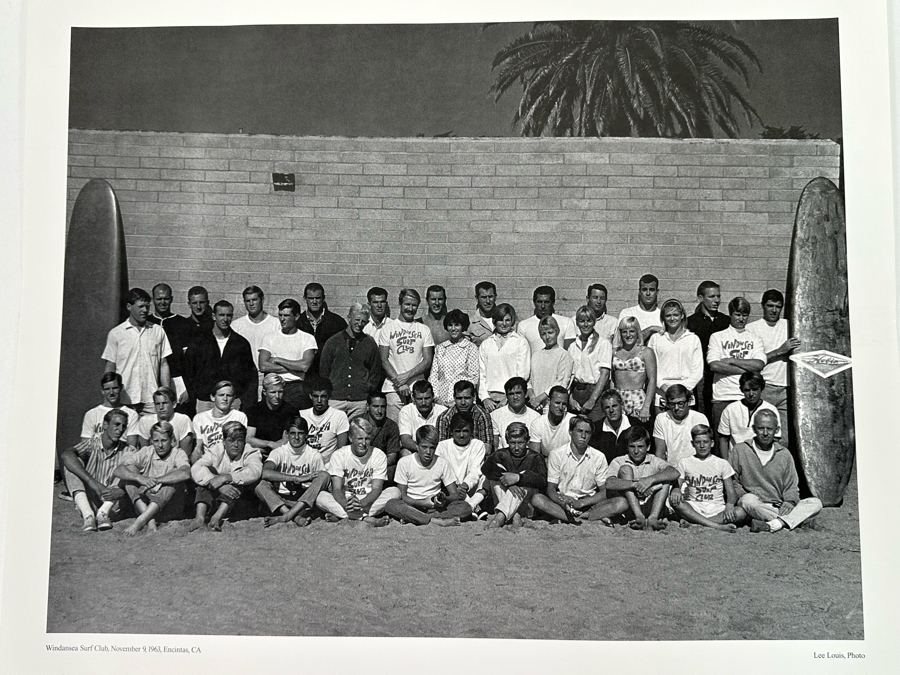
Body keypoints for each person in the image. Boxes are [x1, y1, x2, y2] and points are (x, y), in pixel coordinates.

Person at [730, 410, 822, 532]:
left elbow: (791, 486)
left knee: (816, 503)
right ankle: (791, 521)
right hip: (753, 504)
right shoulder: (740, 450)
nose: (765, 433)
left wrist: (789, 502)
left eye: (769, 429)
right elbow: (733, 481)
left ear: (777, 430)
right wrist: (743, 496)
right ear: (753, 429)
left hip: (779, 506)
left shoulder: (784, 454)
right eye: (761, 428)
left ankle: (776, 523)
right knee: (747, 500)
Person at [59, 409, 134, 532]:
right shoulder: (93, 443)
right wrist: (92, 482)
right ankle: (88, 516)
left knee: (130, 464)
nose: (120, 429)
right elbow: (66, 455)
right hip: (91, 499)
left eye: (124, 426)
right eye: (116, 424)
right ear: (105, 425)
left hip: (113, 504)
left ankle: (103, 514)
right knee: (72, 464)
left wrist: (122, 491)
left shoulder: (127, 450)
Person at [316, 417, 401, 524]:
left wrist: (361, 503)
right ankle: (366, 518)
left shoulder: (379, 455)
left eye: (367, 439)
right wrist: (346, 504)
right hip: (346, 499)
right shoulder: (339, 455)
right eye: (360, 439)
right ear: (351, 438)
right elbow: (337, 489)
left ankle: (344, 516)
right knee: (320, 497)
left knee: (395, 492)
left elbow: (377, 488)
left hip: (369, 500)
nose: (364, 443)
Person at [113, 421, 191, 536]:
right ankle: (149, 520)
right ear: (151, 441)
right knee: (130, 470)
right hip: (144, 506)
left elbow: (185, 473)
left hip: (169, 508)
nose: (160, 445)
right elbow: (118, 470)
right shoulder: (147, 451)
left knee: (175, 474)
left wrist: (156, 480)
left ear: (172, 439)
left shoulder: (178, 453)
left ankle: (140, 521)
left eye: (164, 440)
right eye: (156, 441)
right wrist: (139, 478)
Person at [101, 287, 173, 413]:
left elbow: (164, 364)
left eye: (147, 306)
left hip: (151, 399)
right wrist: (110, 395)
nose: (145, 310)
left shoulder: (157, 331)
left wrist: (166, 391)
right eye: (140, 307)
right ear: (129, 307)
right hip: (124, 399)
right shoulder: (116, 333)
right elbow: (110, 366)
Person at [384, 425, 472, 526]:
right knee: (392, 504)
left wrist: (445, 499)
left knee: (465, 507)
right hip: (412, 505)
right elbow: (402, 495)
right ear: (417, 446)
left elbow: (455, 494)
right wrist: (422, 502)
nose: (428, 452)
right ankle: (435, 521)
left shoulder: (442, 463)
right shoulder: (404, 462)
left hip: (435, 507)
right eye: (424, 447)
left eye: (432, 448)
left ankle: (417, 519)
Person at [747, 289, 801, 448]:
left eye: (778, 306)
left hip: (787, 389)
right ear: (762, 306)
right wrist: (780, 351)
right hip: (764, 387)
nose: (774, 310)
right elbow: (752, 361)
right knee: (761, 433)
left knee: (784, 438)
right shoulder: (753, 328)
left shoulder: (789, 325)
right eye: (770, 306)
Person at [531, 416, 610, 524]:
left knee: (621, 503)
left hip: (589, 503)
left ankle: (572, 518)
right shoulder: (556, 454)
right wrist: (561, 501)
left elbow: (604, 491)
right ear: (571, 431)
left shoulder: (598, 456)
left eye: (587, 432)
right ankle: (580, 520)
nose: (583, 436)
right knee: (537, 499)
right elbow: (551, 488)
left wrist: (582, 502)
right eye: (579, 431)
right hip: (564, 502)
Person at [183, 299, 257, 413]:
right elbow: (188, 369)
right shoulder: (199, 341)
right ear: (214, 316)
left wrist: (238, 394)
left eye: (229, 315)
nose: (225, 319)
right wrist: (196, 392)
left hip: (232, 401)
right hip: (205, 401)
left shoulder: (241, 343)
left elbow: (248, 374)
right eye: (221, 315)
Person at [255, 417, 331, 527]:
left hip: (303, 503)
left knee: (325, 475)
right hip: (281, 502)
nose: (296, 437)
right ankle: (292, 516)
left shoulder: (314, 455)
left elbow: (322, 482)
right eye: (293, 433)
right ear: (287, 434)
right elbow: (265, 472)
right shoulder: (279, 452)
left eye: (300, 433)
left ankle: (287, 516)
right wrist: (296, 478)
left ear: (306, 435)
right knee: (259, 484)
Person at [669, 424, 745, 532]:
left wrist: (729, 505)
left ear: (712, 443)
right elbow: (677, 484)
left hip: (716, 507)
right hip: (694, 507)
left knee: (741, 512)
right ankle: (716, 526)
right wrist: (676, 490)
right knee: (675, 501)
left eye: (705, 442)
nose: (702, 446)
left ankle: (695, 523)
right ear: (692, 444)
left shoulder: (721, 463)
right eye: (698, 442)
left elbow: (731, 492)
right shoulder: (685, 462)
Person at [707, 297, 767, 434]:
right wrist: (748, 370)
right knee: (721, 438)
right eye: (738, 315)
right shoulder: (717, 337)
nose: (741, 319)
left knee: (746, 439)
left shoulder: (755, 339)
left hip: (746, 397)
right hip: (723, 396)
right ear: (730, 314)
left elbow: (759, 365)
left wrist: (732, 360)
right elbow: (714, 365)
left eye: (744, 315)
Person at [602, 426, 680, 530]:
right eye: (632, 446)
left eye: (640, 446)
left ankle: (653, 518)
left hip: (650, 505)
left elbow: (674, 472)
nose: (636, 451)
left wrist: (649, 480)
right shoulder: (619, 460)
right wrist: (636, 484)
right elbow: (609, 483)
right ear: (627, 447)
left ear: (648, 447)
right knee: (625, 469)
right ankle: (638, 516)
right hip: (629, 507)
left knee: (665, 477)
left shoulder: (653, 460)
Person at [189, 421, 262, 531]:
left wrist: (225, 478)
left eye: (240, 441)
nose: (235, 445)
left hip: (241, 502)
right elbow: (196, 467)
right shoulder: (216, 450)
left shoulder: (251, 452)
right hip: (217, 497)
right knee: (205, 477)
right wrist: (217, 482)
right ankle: (200, 518)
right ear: (224, 441)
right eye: (231, 440)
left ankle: (217, 518)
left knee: (238, 480)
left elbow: (254, 471)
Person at [377, 288, 435, 422]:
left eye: (414, 305)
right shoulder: (388, 329)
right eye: (407, 304)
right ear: (400, 303)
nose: (410, 308)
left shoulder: (424, 329)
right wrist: (399, 383)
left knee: (417, 428)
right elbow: (384, 359)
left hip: (418, 390)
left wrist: (406, 377)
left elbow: (427, 360)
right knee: (394, 429)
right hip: (393, 389)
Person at [319, 302, 383, 421]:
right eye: (357, 320)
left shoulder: (370, 343)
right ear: (349, 318)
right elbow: (324, 371)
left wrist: (366, 389)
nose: (359, 324)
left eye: (363, 321)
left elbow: (375, 372)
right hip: (336, 399)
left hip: (359, 401)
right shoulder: (333, 342)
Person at [482, 422, 547, 529]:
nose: (516, 447)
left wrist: (519, 478)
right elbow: (485, 468)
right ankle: (515, 515)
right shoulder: (501, 454)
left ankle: (501, 516)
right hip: (504, 499)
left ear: (527, 441)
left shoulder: (535, 457)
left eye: (520, 443)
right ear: (507, 441)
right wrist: (508, 483)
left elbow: (542, 480)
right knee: (494, 479)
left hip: (526, 505)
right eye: (512, 443)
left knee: (526, 476)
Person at [258, 298, 318, 410]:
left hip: (295, 389)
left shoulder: (307, 338)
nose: (282, 319)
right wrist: (295, 367)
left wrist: (277, 359)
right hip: (272, 386)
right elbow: (263, 366)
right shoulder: (269, 337)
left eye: (286, 316)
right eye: (280, 315)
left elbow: (304, 366)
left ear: (296, 317)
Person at [146, 283, 199, 408]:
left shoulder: (184, 324)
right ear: (153, 299)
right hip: (151, 379)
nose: (163, 302)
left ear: (171, 299)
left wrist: (187, 387)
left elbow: (190, 362)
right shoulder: (147, 323)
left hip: (177, 380)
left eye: (166, 298)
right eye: (159, 299)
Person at [647, 299, 703, 415]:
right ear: (663, 317)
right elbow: (651, 369)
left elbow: (698, 371)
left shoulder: (693, 339)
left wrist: (681, 391)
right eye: (668, 316)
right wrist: (664, 387)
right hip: (662, 393)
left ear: (682, 315)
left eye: (675, 315)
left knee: (685, 430)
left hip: (686, 393)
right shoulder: (656, 339)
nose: (672, 319)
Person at [685, 281, 731, 422]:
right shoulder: (691, 322)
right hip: (700, 376)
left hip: (721, 375)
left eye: (718, 296)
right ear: (700, 298)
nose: (716, 300)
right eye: (711, 297)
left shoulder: (726, 321)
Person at [717, 372, 781, 462]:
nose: (751, 394)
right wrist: (727, 465)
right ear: (741, 389)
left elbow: (775, 440)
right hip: (736, 459)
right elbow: (723, 439)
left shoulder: (771, 409)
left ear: (761, 389)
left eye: (755, 389)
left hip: (761, 460)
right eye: (747, 390)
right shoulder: (730, 409)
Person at [478, 303, 531, 412]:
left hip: (511, 398)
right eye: (500, 320)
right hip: (489, 399)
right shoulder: (486, 344)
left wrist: (508, 398)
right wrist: (485, 398)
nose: (504, 324)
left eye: (507, 320)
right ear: (494, 321)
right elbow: (481, 374)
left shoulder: (520, 342)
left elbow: (522, 374)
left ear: (512, 321)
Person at [231, 285, 281, 401]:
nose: (251, 304)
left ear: (262, 300)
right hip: (246, 380)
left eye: (254, 300)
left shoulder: (275, 324)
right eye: (248, 301)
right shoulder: (236, 326)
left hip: (269, 376)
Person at [435, 413, 488, 513]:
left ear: (471, 432)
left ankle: (470, 505)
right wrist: (456, 488)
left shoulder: (478, 444)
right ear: (451, 432)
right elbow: (441, 471)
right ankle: (473, 509)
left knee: (486, 477)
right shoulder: (442, 446)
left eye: (465, 431)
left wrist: (464, 486)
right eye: (458, 431)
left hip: (470, 488)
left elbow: (475, 470)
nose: (462, 435)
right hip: (451, 489)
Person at [567, 306, 612, 423]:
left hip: (595, 392)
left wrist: (592, 399)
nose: (585, 324)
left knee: (594, 428)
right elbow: (569, 375)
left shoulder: (603, 343)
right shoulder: (572, 346)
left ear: (594, 322)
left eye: (589, 320)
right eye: (582, 321)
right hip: (576, 392)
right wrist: (570, 398)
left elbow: (605, 375)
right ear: (577, 323)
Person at [428, 308, 479, 408]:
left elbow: (474, 378)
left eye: (457, 325)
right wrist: (437, 398)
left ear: (462, 326)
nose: (453, 328)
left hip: (463, 402)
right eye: (450, 325)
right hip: (441, 401)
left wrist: (456, 401)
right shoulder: (440, 348)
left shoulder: (470, 348)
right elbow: (434, 375)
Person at [296, 282, 348, 379]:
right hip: (304, 377)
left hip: (330, 376)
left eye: (318, 298)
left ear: (323, 298)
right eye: (311, 298)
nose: (314, 302)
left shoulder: (337, 322)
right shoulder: (298, 323)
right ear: (305, 299)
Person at [611, 316, 656, 424]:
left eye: (632, 331)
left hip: (638, 399)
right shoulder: (615, 352)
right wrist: (612, 399)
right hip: (618, 397)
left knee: (638, 434)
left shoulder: (645, 352)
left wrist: (646, 406)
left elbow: (652, 380)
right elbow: (612, 379)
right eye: (624, 332)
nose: (628, 335)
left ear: (637, 333)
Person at [190, 380, 249, 463]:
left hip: (231, 461)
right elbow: (198, 448)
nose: (225, 399)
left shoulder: (239, 416)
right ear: (213, 397)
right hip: (209, 460)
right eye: (221, 395)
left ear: (233, 398)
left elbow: (240, 446)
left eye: (229, 395)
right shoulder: (200, 418)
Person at [652, 384, 709, 466]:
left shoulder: (699, 418)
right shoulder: (661, 419)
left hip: (695, 467)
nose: (676, 408)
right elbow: (660, 453)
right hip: (672, 469)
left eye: (680, 403)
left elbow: (704, 449)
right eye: (672, 404)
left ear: (688, 401)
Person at [527, 315, 574, 413]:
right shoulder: (536, 355)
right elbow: (530, 379)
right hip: (535, 407)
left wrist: (540, 398)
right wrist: (533, 398)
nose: (547, 337)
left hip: (553, 408)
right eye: (544, 334)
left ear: (557, 332)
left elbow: (561, 383)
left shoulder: (563, 355)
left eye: (550, 332)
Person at [244, 374, 299, 458]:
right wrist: (270, 444)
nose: (277, 396)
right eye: (273, 392)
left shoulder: (291, 411)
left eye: (280, 392)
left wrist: (268, 447)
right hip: (258, 453)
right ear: (264, 392)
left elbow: (288, 439)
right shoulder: (254, 410)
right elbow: (249, 438)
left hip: (282, 453)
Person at [300, 377, 350, 465]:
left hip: (328, 465)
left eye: (323, 396)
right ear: (310, 396)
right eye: (316, 396)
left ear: (329, 396)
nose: (319, 401)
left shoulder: (339, 416)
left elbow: (341, 451)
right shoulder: (302, 415)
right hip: (305, 463)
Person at [81, 372, 141, 446]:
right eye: (107, 389)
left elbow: (132, 445)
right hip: (97, 454)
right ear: (102, 391)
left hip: (122, 455)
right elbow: (85, 445)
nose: (111, 392)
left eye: (115, 388)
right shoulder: (91, 414)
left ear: (121, 388)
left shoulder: (132, 414)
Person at [436, 380, 494, 452]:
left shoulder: (482, 415)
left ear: (474, 397)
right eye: (459, 398)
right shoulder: (444, 418)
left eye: (467, 398)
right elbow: (441, 449)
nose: (463, 402)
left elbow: (487, 449)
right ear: (454, 398)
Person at [135, 386, 195, 456]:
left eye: (165, 403)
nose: (161, 407)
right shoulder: (145, 421)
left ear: (174, 404)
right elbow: (144, 453)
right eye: (157, 404)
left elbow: (185, 454)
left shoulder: (183, 420)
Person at [517, 285, 577, 354]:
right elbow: (521, 354)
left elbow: (570, 352)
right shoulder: (523, 325)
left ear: (553, 302)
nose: (542, 306)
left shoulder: (566, 322)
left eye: (546, 302)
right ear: (534, 302)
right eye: (539, 302)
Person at [589, 390, 643, 463]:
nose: (611, 410)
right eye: (607, 407)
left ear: (621, 405)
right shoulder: (596, 429)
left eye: (614, 406)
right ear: (603, 410)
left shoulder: (635, 424)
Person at [398, 380, 447, 455]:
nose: (423, 403)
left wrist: (431, 450)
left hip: (438, 450)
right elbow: (405, 440)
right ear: (413, 398)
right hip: (415, 450)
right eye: (420, 399)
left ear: (433, 396)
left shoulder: (443, 411)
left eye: (427, 398)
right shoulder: (406, 411)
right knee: (405, 453)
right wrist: (423, 449)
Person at [491, 377, 540, 450]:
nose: (515, 397)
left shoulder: (536, 417)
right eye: (511, 394)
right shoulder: (495, 416)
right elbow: (495, 447)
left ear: (526, 394)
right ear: (507, 396)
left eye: (518, 393)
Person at [528, 386, 574, 458]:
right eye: (557, 403)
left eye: (564, 404)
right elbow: (534, 457)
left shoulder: (573, 421)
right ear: (548, 401)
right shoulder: (537, 423)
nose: (561, 407)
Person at [618, 274, 663, 345]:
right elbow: (624, 342)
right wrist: (651, 329)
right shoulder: (628, 313)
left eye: (652, 290)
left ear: (657, 292)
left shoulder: (663, 316)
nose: (648, 293)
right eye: (644, 289)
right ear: (639, 291)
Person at [364, 392, 401, 470]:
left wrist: (376, 467)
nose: (379, 411)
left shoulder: (392, 426)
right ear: (367, 407)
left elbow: (392, 456)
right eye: (375, 406)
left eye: (383, 407)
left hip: (381, 466)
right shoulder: (357, 423)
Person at [466, 281, 497, 346]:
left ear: (495, 297)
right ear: (477, 298)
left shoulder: (505, 319)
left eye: (490, 296)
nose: (488, 301)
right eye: (483, 297)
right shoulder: (470, 323)